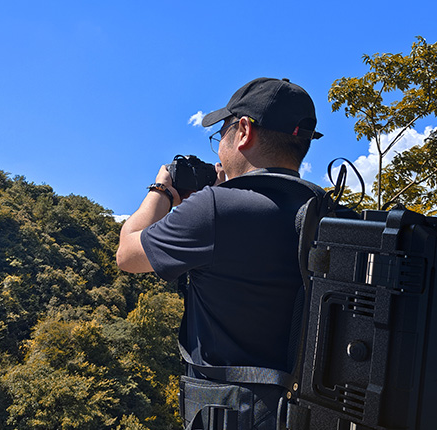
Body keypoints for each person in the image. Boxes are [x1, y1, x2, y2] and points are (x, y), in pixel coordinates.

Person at [116, 77, 324, 429]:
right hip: (308, 414)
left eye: (221, 133)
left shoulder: (214, 209)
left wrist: (162, 190)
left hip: (232, 415)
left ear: (243, 131)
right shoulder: (326, 212)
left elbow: (127, 252)